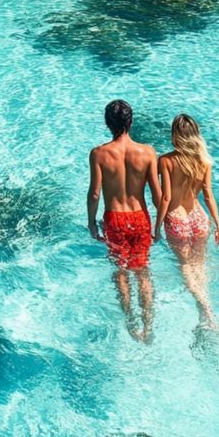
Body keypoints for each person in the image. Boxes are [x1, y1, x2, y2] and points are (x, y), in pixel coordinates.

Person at [87, 100, 161, 341]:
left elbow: (95, 193)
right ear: (131, 121)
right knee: (142, 271)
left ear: (108, 123)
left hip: (114, 219)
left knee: (121, 270)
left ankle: (131, 322)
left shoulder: (99, 153)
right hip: (140, 217)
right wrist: (159, 225)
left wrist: (91, 223)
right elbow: (157, 194)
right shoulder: (148, 152)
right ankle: (148, 326)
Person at [155, 114, 219, 333]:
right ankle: (206, 310)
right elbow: (208, 195)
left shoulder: (166, 160)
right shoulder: (204, 161)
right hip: (199, 218)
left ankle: (205, 309)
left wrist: (156, 226)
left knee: (185, 266)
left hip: (177, 218)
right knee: (199, 265)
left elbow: (165, 198)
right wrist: (218, 224)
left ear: (176, 135)